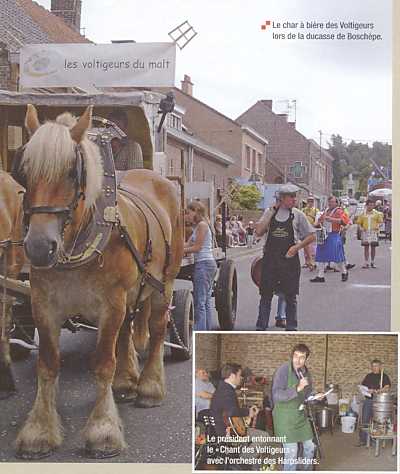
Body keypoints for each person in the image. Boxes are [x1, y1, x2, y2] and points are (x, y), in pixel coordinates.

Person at [255, 184, 316, 331]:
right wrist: (271, 212)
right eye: (291, 197)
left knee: (290, 296)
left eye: (295, 196)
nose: (294, 200)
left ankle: (291, 327)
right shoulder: (270, 213)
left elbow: (312, 236)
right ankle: (261, 327)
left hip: (289, 262)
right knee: (266, 295)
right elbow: (258, 231)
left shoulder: (297, 215)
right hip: (270, 260)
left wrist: (297, 248)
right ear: (281, 198)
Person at [271, 344, 324, 471]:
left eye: (302, 357)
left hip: (299, 415)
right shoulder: (283, 370)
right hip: (284, 417)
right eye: (296, 356)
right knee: (291, 452)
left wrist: (315, 396)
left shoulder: (306, 373)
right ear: (292, 355)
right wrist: (297, 388)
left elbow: (307, 393)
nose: (298, 360)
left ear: (306, 359)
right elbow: (276, 394)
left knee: (310, 446)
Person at [184, 201, 217, 330]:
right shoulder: (198, 226)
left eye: (189, 213)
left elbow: (197, 247)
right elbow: (188, 244)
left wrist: (180, 251)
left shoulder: (202, 225)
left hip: (204, 264)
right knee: (206, 301)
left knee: (200, 303)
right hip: (206, 264)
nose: (187, 216)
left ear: (196, 211)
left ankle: (200, 332)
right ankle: (206, 331)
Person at [311, 196, 350, 283]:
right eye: (329, 202)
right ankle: (320, 276)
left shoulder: (339, 211)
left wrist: (332, 219)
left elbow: (345, 222)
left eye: (332, 202)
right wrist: (317, 223)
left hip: (334, 234)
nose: (330, 203)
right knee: (320, 254)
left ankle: (344, 272)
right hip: (323, 234)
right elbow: (320, 221)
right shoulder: (326, 211)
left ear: (336, 203)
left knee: (336, 255)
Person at [357, 359, 391, 447]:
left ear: (380, 366)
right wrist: (364, 390)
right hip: (368, 400)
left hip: (379, 402)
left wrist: (376, 391)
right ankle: (363, 440)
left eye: (376, 366)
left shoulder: (384, 376)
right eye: (372, 366)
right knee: (365, 420)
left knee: (377, 421)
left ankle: (374, 439)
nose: (374, 368)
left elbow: (387, 388)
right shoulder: (368, 376)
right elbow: (363, 386)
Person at [356, 198, 383, 268]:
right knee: (366, 247)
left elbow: (380, 222)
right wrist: (361, 228)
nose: (371, 206)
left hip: (374, 232)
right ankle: (366, 262)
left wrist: (378, 226)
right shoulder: (363, 213)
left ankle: (373, 262)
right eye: (369, 205)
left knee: (373, 247)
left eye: (372, 205)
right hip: (365, 232)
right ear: (366, 205)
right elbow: (359, 223)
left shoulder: (377, 213)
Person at [302, 196, 319, 270]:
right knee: (305, 246)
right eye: (309, 201)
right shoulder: (303, 210)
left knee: (312, 247)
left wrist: (314, 225)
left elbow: (318, 220)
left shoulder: (316, 210)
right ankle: (307, 262)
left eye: (312, 201)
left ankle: (313, 262)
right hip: (305, 230)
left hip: (312, 230)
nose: (310, 203)